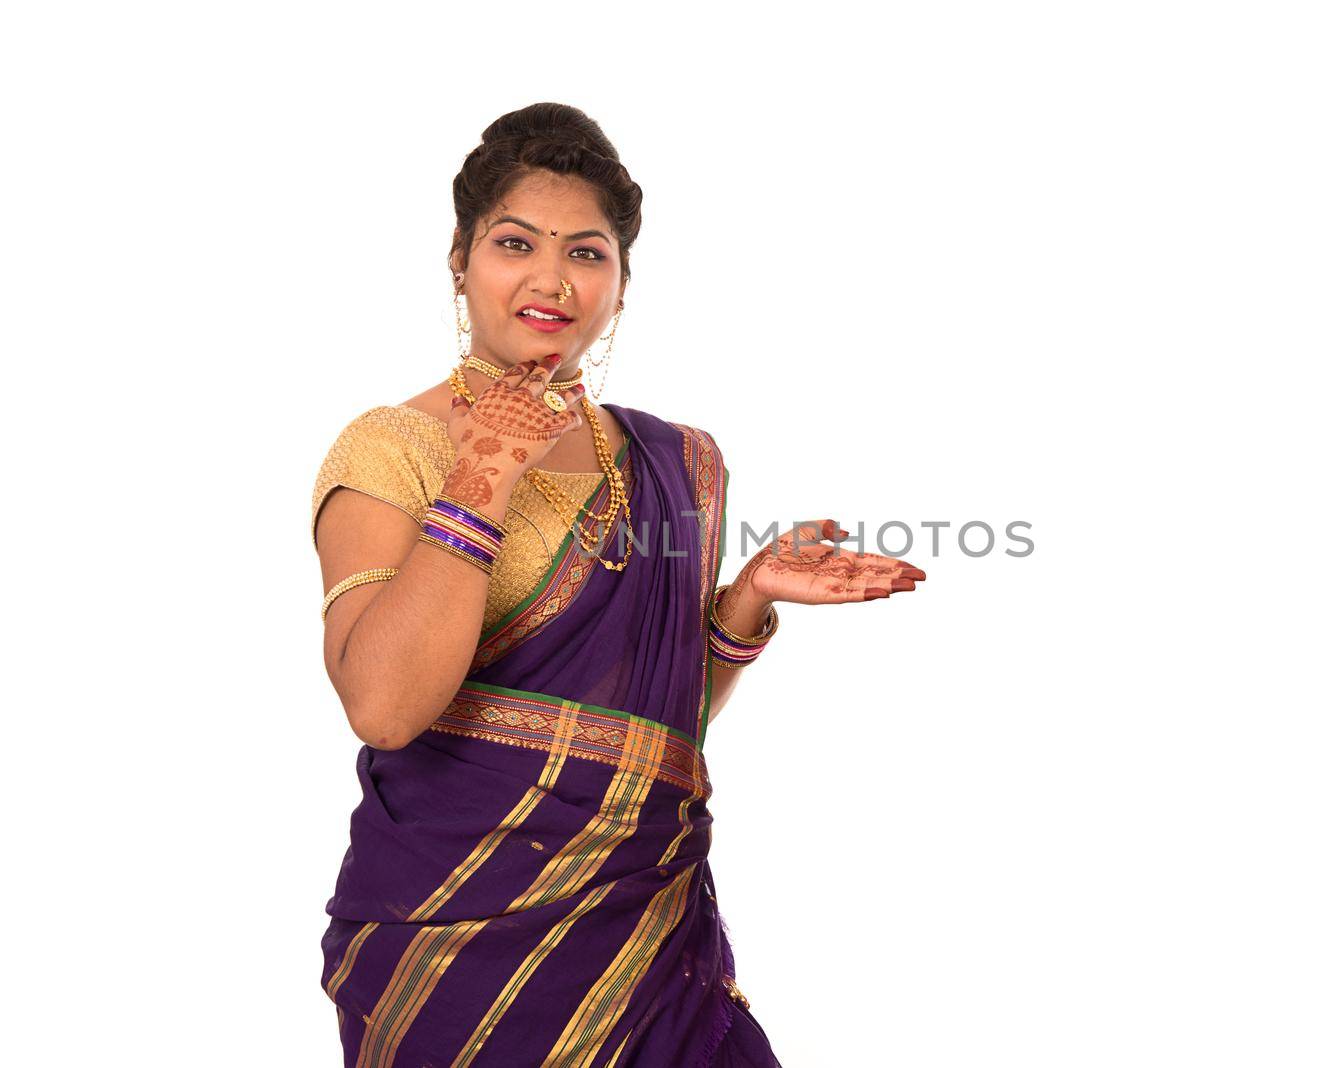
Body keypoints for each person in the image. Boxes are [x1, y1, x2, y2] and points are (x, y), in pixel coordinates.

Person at [309, 103, 925, 1067]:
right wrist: (481, 481)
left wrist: (744, 602)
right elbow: (384, 708)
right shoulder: (395, 449)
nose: (551, 279)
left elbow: (656, 731)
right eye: (516, 243)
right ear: (461, 259)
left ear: (622, 285)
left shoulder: (681, 462)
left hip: (648, 944)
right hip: (455, 952)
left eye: (587, 253)